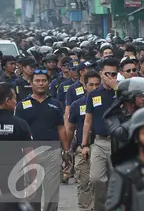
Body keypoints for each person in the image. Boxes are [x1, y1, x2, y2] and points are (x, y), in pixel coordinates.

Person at [15, 69, 71, 211]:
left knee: (52, 193)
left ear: (48, 83)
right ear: (31, 83)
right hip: (30, 154)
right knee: (33, 193)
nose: (41, 83)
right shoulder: (22, 106)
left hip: (52, 152)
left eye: (44, 80)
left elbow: (61, 128)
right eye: (37, 81)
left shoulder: (56, 104)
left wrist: (66, 150)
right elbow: (19, 132)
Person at [81, 57, 119, 211]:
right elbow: (88, 121)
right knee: (96, 179)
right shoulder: (93, 95)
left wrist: (117, 88)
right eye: (107, 74)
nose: (110, 77)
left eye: (113, 74)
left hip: (118, 143)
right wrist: (84, 144)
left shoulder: (122, 92)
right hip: (99, 142)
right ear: (101, 73)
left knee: (116, 181)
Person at [66, 70, 101, 211]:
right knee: (84, 183)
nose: (94, 88)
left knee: (99, 183)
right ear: (84, 86)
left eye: (97, 85)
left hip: (101, 146)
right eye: (91, 85)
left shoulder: (105, 102)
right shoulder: (76, 104)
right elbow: (70, 128)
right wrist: (66, 148)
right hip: (82, 149)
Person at [0, 83, 33, 203]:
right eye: (14, 99)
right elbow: (29, 154)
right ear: (8, 101)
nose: (16, 102)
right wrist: (33, 178)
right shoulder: (20, 124)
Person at [103, 77, 144, 156]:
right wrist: (138, 117)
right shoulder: (112, 117)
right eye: (139, 95)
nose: (143, 98)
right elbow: (120, 133)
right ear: (129, 97)